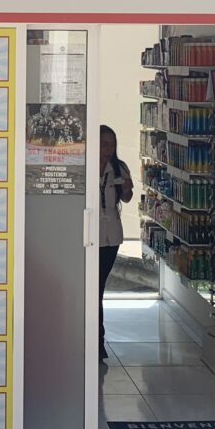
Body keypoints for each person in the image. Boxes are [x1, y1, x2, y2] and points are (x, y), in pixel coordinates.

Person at [97, 125, 133, 361]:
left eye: (111, 144)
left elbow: (126, 198)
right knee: (92, 289)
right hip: (91, 235)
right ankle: (94, 340)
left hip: (111, 236)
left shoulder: (119, 168)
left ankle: (98, 342)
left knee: (98, 288)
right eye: (104, 144)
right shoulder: (85, 166)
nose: (108, 149)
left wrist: (127, 188)